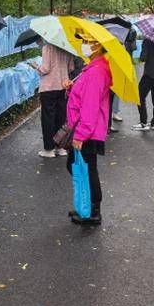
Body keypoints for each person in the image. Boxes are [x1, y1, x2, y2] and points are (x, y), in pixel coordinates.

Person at [65, 35, 113, 226]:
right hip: (84, 129)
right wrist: (71, 88)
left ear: (98, 46)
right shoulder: (91, 68)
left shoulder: (96, 72)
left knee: (87, 169)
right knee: (77, 166)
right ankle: (84, 206)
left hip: (87, 131)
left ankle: (93, 211)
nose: (84, 45)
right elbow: (82, 96)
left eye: (87, 41)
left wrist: (81, 135)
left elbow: (90, 107)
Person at [34, 40, 74, 158]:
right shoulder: (67, 47)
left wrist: (36, 67)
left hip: (49, 87)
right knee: (61, 116)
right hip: (63, 86)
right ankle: (61, 147)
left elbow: (45, 69)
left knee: (48, 118)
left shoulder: (47, 48)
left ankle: (49, 149)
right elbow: (71, 67)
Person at [132, 38, 154, 131]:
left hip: (149, 74)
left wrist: (143, 49)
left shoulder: (148, 41)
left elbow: (143, 57)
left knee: (139, 97)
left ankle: (143, 122)